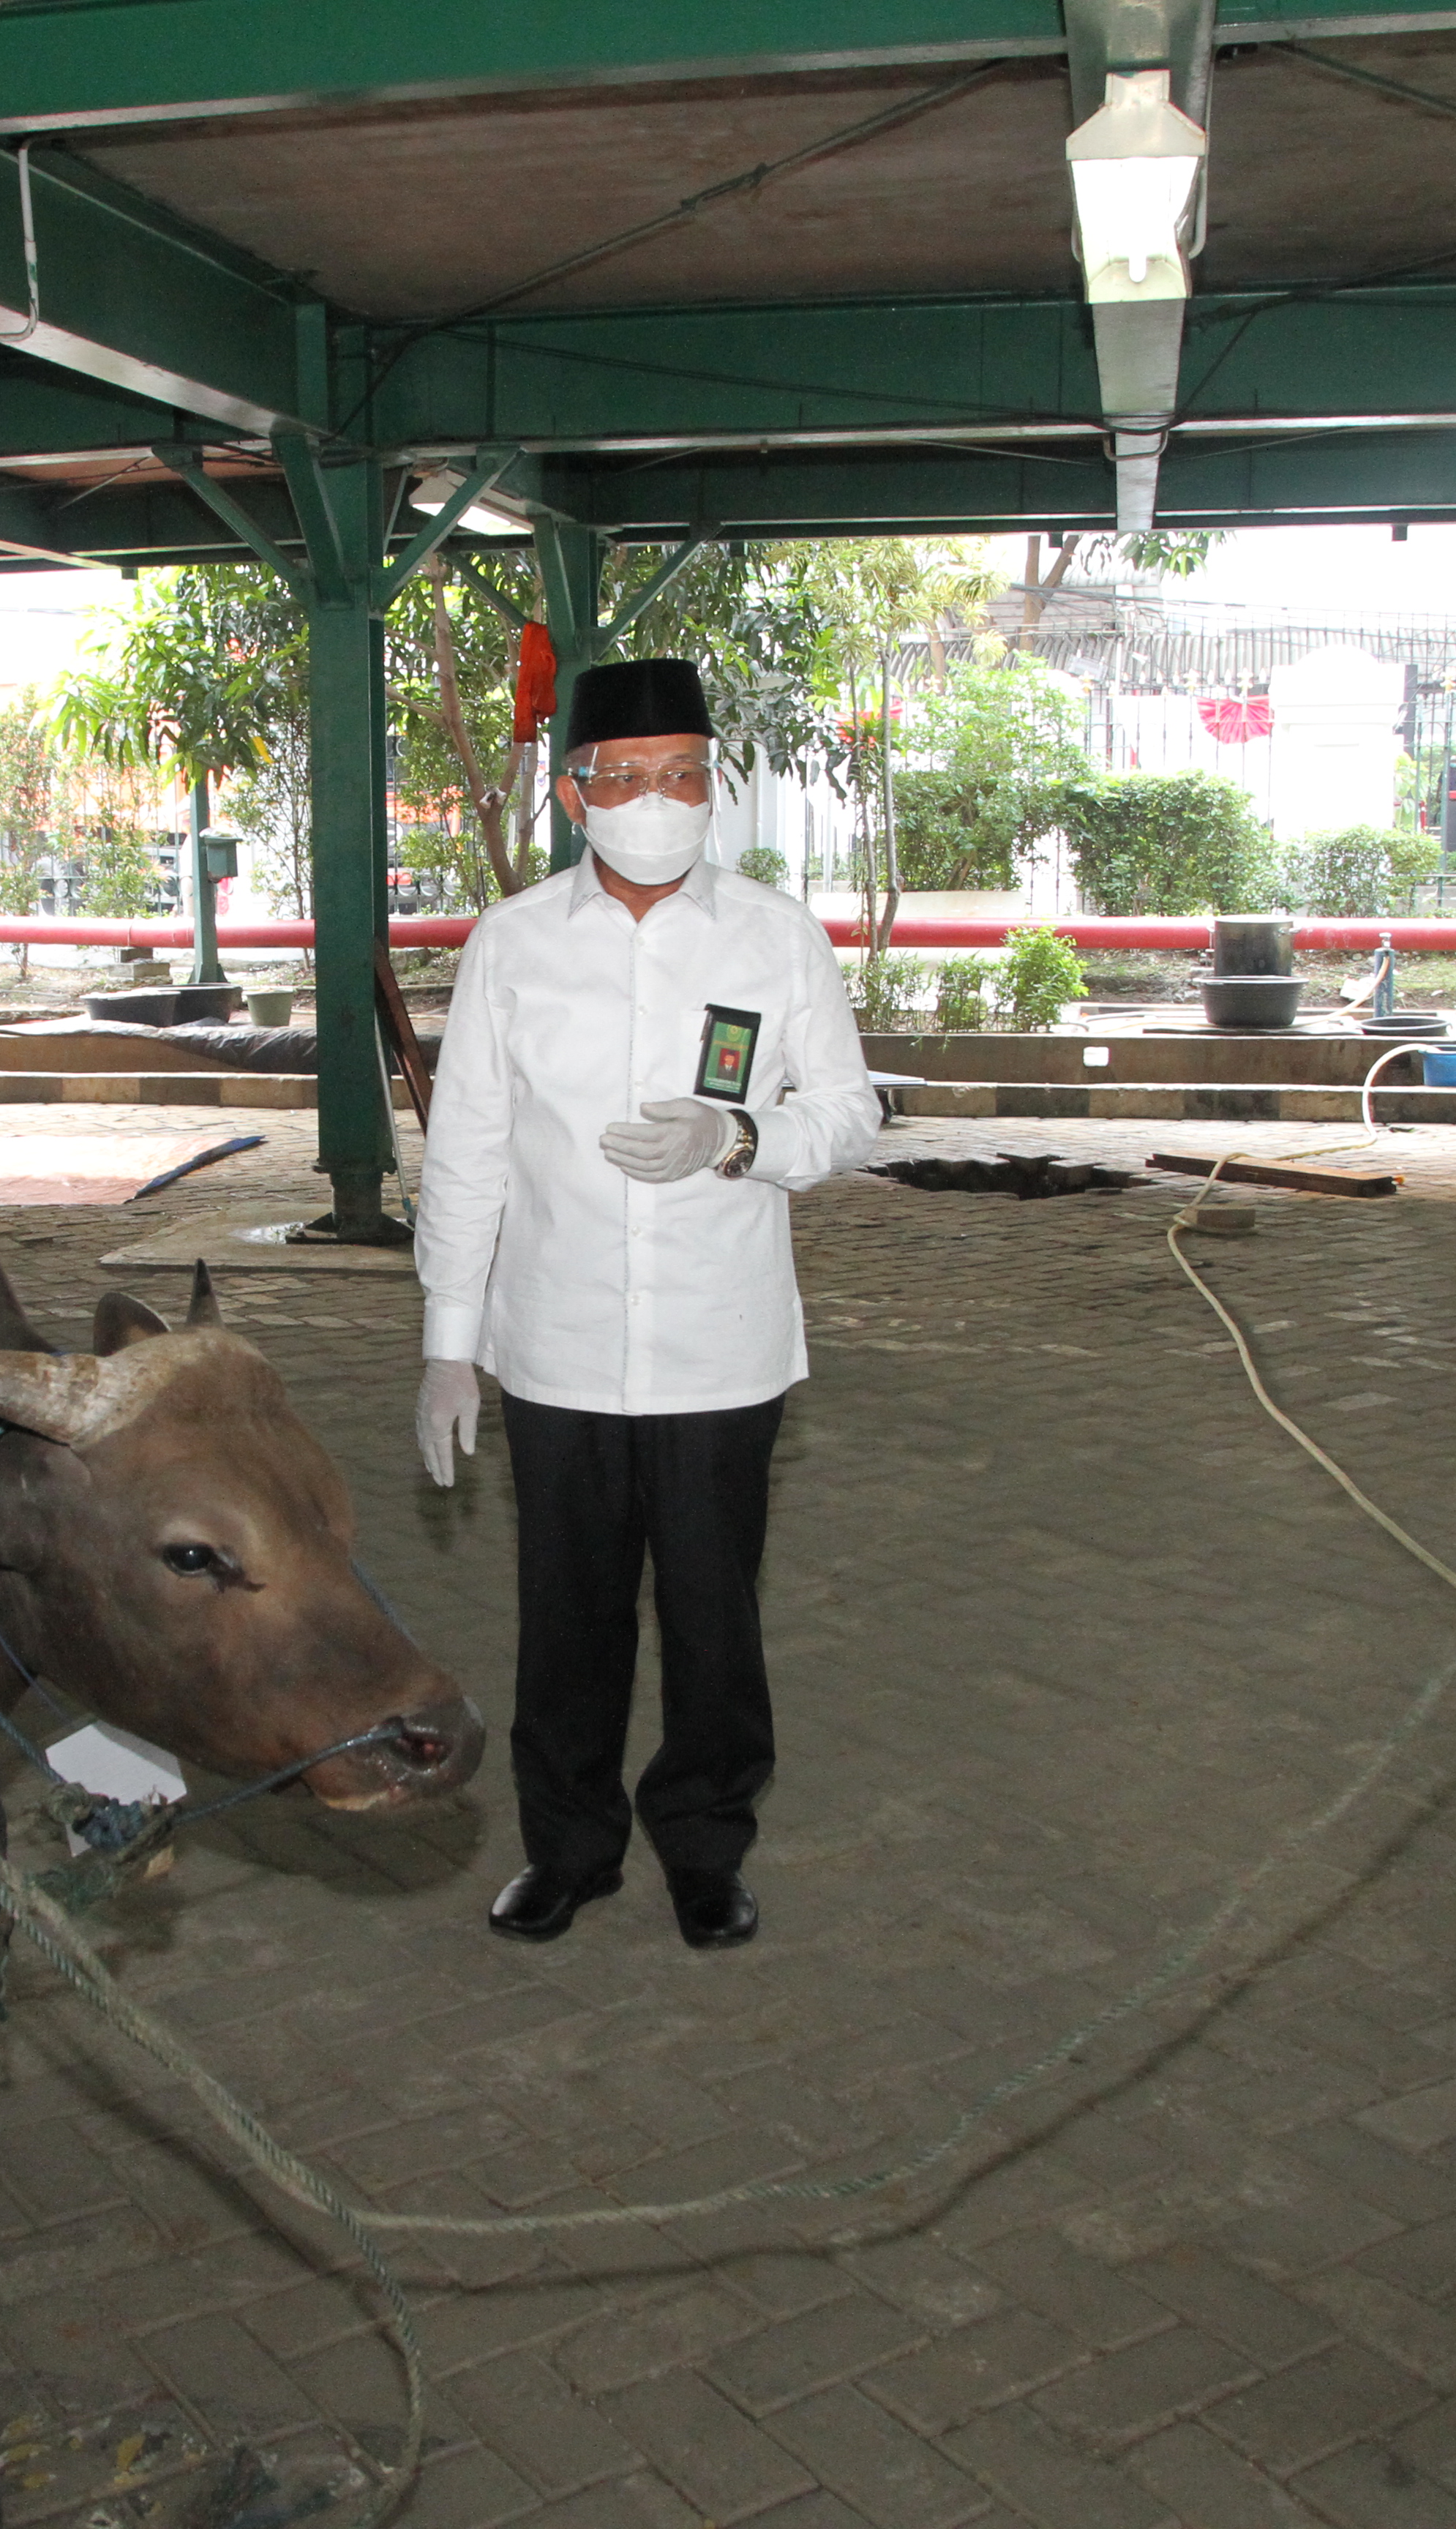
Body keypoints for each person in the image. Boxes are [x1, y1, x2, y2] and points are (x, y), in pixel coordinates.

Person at [414, 659, 881, 1952]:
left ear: (710, 784)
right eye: (627, 778)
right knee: (565, 1621)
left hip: (715, 1349)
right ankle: (567, 1848)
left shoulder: (772, 936)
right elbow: (464, 1154)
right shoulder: (511, 944)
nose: (658, 800)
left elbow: (847, 1111)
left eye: (683, 774)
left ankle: (703, 1842)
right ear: (575, 795)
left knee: (711, 1620)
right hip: (554, 1346)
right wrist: (449, 1348)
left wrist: (736, 1133)